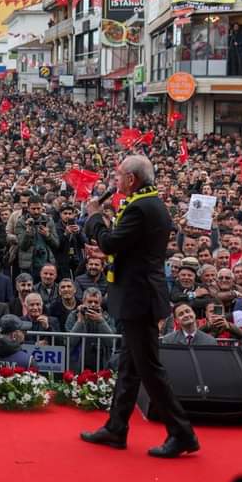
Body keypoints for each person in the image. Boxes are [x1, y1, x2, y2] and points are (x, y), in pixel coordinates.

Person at [81, 155, 199, 459]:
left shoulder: (140, 207)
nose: (115, 181)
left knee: (149, 369)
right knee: (129, 369)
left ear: (131, 179)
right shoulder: (148, 203)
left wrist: (95, 217)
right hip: (138, 294)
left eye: (119, 175)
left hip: (139, 298)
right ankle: (116, 427)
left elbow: (110, 243)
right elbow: (128, 248)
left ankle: (182, 433)